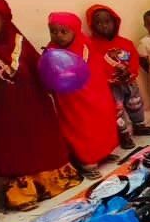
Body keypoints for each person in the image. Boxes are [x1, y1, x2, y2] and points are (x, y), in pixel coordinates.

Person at [0, 0, 81, 211]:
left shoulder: (19, 42)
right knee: (13, 150)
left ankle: (54, 183)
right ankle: (23, 194)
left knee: (42, 142)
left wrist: (52, 71)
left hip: (33, 105)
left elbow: (37, 66)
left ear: (4, 19)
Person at [46, 12, 120, 179]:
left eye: (64, 31)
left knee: (101, 123)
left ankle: (102, 153)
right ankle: (87, 162)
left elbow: (98, 66)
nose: (58, 36)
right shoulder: (52, 52)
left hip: (95, 94)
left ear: (75, 30)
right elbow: (50, 75)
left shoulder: (86, 45)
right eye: (53, 31)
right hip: (72, 100)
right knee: (81, 129)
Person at [86, 4, 150, 149]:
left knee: (135, 104)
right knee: (116, 111)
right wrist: (108, 78)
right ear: (92, 25)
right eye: (98, 23)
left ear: (115, 22)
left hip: (129, 81)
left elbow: (134, 60)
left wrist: (130, 72)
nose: (104, 26)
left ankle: (139, 126)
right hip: (110, 86)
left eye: (107, 21)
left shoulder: (125, 42)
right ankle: (123, 134)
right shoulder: (91, 46)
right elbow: (94, 66)